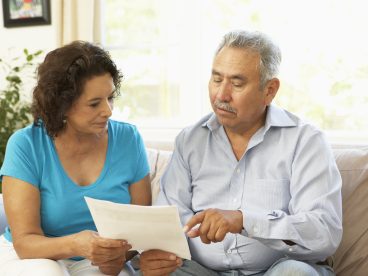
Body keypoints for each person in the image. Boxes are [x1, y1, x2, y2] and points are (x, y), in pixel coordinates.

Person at [139, 30, 342, 275]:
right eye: (216, 79)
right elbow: (168, 222)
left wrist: (244, 220)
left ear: (269, 90)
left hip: (277, 270)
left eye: (237, 83)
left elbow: (323, 233)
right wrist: (158, 256)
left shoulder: (306, 141)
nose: (221, 95)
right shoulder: (190, 141)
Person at [0, 41, 151, 276]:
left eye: (110, 97)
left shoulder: (129, 139)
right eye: (94, 104)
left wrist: (120, 256)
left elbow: (140, 229)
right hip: (31, 255)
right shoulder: (25, 145)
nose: (109, 111)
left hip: (97, 261)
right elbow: (24, 241)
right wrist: (75, 243)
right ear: (62, 105)